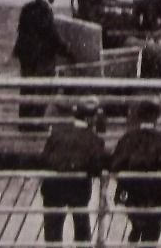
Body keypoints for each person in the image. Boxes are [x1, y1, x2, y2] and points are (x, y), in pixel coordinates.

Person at [110, 100, 161, 246]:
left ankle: (137, 228)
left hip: (134, 189)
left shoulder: (128, 138)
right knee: (154, 229)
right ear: (157, 117)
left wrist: (125, 182)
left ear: (139, 116)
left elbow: (116, 165)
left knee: (137, 217)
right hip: (158, 191)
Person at [40, 100, 106, 245]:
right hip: (79, 188)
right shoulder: (95, 140)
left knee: (53, 226)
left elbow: (44, 158)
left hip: (54, 186)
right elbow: (97, 167)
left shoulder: (57, 134)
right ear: (91, 119)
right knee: (81, 222)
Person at [15, 0, 74, 129]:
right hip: (41, 58)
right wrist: (67, 51)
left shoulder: (27, 8)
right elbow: (52, 36)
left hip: (26, 55)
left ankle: (24, 122)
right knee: (42, 88)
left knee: (27, 88)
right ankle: (36, 123)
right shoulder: (45, 10)